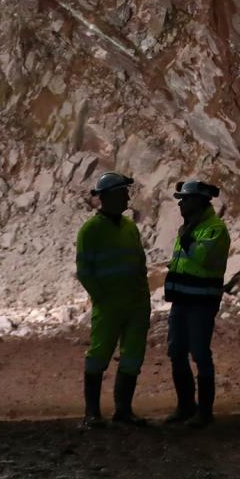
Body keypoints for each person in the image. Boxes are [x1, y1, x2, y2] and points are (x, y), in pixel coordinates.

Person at [75, 171, 151, 427]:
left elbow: (140, 263)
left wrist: (143, 295)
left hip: (136, 304)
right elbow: (85, 271)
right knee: (99, 355)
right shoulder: (91, 230)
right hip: (109, 305)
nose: (128, 197)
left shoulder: (129, 226)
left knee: (132, 357)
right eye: (123, 193)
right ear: (109, 197)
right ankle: (92, 414)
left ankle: (123, 411)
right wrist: (102, 298)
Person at [162, 179, 230, 428]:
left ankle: (205, 413)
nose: (181, 203)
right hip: (182, 301)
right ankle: (185, 407)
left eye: (185, 199)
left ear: (199, 202)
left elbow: (202, 258)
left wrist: (187, 238)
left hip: (201, 303)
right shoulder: (189, 227)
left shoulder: (215, 229)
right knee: (177, 352)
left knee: (200, 354)